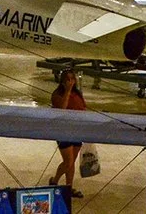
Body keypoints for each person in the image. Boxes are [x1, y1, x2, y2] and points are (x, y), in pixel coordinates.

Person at [49, 69, 87, 199]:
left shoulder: (78, 93)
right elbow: (62, 108)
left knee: (72, 162)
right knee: (68, 161)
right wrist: (68, 91)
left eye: (73, 78)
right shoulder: (57, 94)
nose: (71, 81)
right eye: (68, 79)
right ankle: (55, 181)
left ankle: (67, 186)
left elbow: (83, 108)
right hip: (63, 131)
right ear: (63, 81)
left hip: (77, 130)